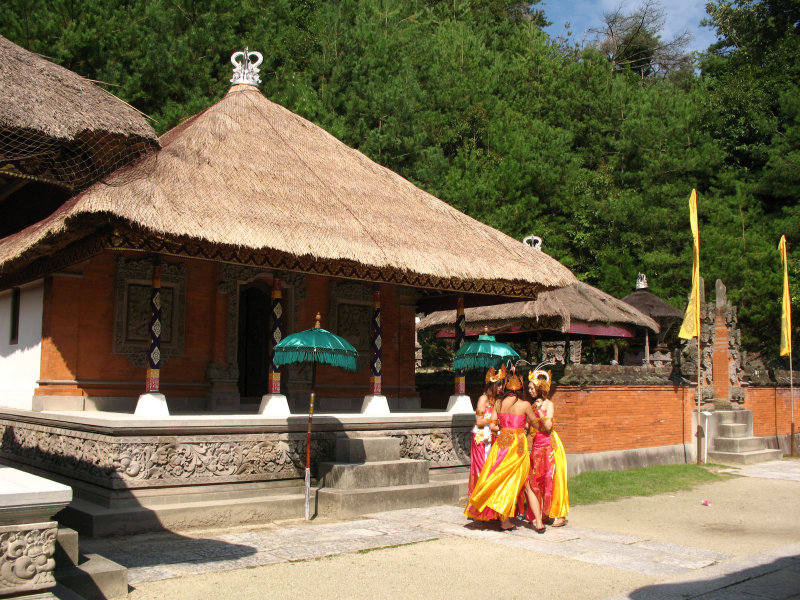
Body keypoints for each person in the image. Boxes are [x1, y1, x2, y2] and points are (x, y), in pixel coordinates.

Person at [464, 368, 545, 532]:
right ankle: (538, 522)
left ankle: (505, 520)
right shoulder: (525, 404)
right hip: (519, 445)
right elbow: (537, 424)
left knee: (500, 478)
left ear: (507, 388)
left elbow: (493, 425)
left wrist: (503, 427)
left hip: (501, 443)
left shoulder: (498, 403)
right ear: (520, 389)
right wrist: (538, 413)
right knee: (527, 483)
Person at [525, 369, 569, 527]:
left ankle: (559, 514)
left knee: (552, 477)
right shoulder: (530, 405)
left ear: (540, 388)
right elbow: (528, 426)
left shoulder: (549, 404)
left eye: (532, 388)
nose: (530, 391)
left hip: (550, 444)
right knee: (536, 479)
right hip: (537, 446)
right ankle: (541, 512)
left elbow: (549, 425)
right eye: (529, 388)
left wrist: (538, 411)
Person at [464, 365, 504, 521]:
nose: (501, 388)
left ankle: (489, 507)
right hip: (481, 439)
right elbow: (479, 421)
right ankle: (476, 507)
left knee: (491, 472)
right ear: (492, 385)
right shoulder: (483, 399)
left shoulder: (498, 401)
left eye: (502, 384)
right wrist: (493, 419)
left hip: (493, 438)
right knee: (481, 471)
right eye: (499, 384)